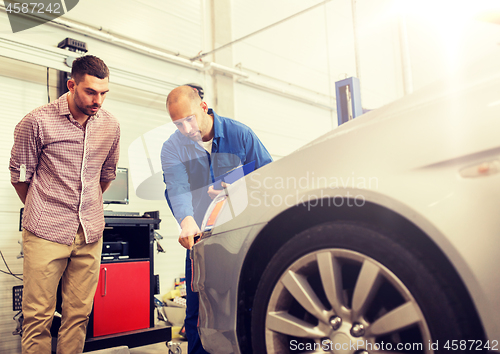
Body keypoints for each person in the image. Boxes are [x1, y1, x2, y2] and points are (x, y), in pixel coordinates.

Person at [9, 55, 120, 354]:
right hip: (45, 232)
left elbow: (106, 176)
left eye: (104, 93)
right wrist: (46, 209)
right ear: (71, 85)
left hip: (90, 233)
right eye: (90, 92)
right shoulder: (36, 121)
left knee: (78, 316)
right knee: (38, 318)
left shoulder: (110, 125)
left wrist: (85, 207)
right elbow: (20, 177)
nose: (98, 100)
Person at [161, 85, 272, 354]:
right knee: (198, 312)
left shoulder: (240, 135)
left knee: (246, 305)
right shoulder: (172, 148)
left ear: (203, 107)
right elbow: (176, 187)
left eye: (189, 119)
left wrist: (238, 187)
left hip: (243, 236)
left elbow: (268, 177)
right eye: (178, 124)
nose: (186, 129)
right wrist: (186, 219)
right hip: (202, 240)